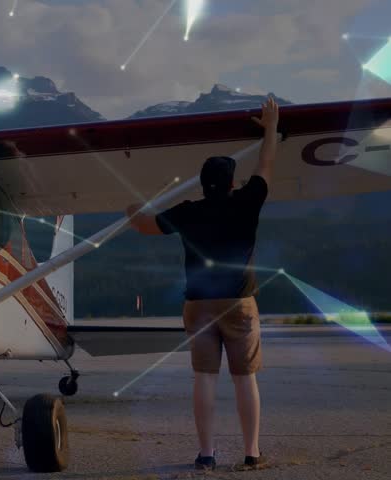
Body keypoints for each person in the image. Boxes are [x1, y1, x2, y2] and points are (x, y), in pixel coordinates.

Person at [125, 97, 280, 471]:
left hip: (198, 305)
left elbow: (143, 224)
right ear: (230, 182)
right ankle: (251, 453)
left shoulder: (188, 211)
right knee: (245, 379)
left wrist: (130, 207)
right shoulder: (248, 201)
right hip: (240, 303)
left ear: (203, 183)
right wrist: (271, 128)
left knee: (204, 379)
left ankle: (206, 454)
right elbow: (266, 163)